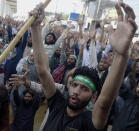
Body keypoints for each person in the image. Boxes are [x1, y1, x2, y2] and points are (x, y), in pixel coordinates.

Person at [29, 2, 137, 131]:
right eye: (74, 85)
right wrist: (35, 27)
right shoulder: (57, 104)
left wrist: (120, 55)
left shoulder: (91, 121)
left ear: (93, 97)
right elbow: (42, 71)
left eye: (84, 89)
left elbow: (104, 103)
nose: (76, 92)